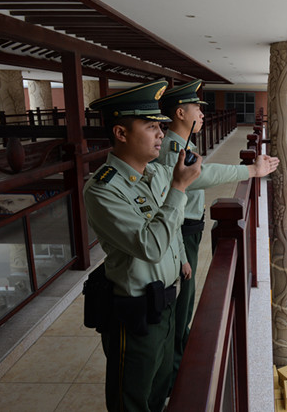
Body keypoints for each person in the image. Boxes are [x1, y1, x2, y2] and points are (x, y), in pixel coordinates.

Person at [83, 80, 202, 411]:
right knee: (132, 399)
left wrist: (180, 257)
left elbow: (170, 224)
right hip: (134, 311)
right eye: (151, 127)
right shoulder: (103, 189)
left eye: (160, 127)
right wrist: (179, 187)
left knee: (160, 387)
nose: (161, 135)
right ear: (121, 134)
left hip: (165, 303)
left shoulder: (155, 174)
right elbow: (149, 245)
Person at [157, 79, 279, 387]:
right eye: (197, 107)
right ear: (180, 112)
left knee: (185, 303)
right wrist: (250, 170)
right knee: (180, 306)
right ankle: (173, 377)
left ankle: (179, 365)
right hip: (179, 230)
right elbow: (202, 176)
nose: (201, 113)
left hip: (188, 227)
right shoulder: (172, 148)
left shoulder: (185, 144)